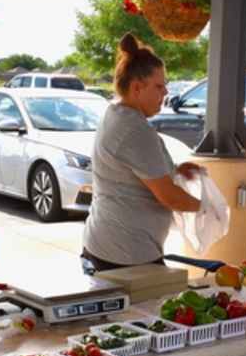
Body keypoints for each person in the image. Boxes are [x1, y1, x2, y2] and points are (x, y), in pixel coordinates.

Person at [81, 33, 201, 274]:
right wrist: (209, 207)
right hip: (125, 254)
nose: (166, 92)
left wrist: (173, 171)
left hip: (109, 245)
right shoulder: (133, 128)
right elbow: (171, 198)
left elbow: (134, 172)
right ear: (136, 87)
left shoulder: (116, 113)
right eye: (159, 85)